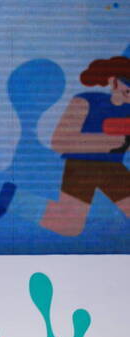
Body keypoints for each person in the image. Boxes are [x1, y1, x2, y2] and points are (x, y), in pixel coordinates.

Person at [44, 56, 130, 235]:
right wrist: (108, 141)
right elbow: (59, 142)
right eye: (127, 82)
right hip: (81, 167)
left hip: (113, 168)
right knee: (68, 227)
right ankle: (13, 199)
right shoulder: (85, 101)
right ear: (113, 81)